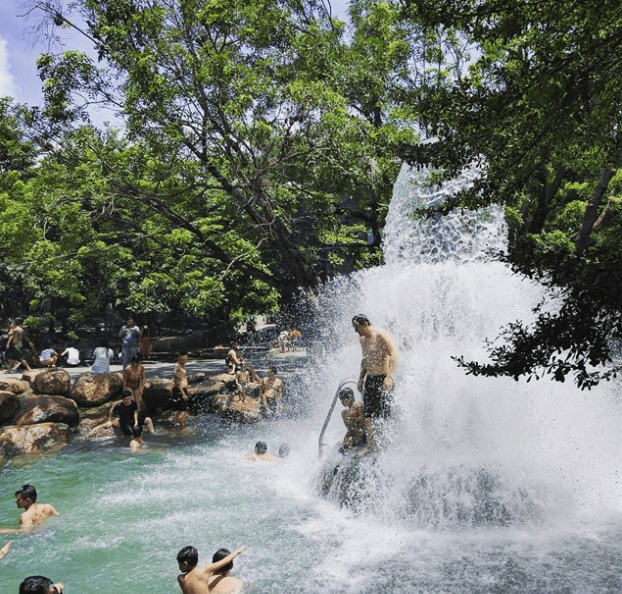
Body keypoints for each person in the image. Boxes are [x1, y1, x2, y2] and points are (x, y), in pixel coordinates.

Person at [352, 314, 398, 457]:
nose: (355, 331)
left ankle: (384, 447)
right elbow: (365, 360)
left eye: (357, 327)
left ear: (365, 324)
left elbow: (394, 355)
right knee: (368, 415)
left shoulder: (380, 335)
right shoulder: (362, 339)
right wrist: (360, 378)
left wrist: (389, 377)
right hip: (370, 380)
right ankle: (370, 445)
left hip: (383, 378)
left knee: (384, 414)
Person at [177, 545, 246, 594]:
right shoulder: (205, 571)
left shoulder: (181, 578)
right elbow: (225, 561)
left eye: (179, 564)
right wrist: (236, 552)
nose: (178, 567)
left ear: (185, 564)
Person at [339, 387, 367, 451]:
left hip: (364, 438)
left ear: (350, 397)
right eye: (341, 400)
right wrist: (347, 437)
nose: (342, 402)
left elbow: (363, 424)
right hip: (355, 438)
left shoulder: (358, 405)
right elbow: (351, 428)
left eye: (343, 399)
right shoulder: (346, 412)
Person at [171, 351, 190, 429]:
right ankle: (182, 428)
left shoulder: (183, 366)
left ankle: (179, 427)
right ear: (179, 358)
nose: (184, 361)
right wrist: (183, 394)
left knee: (181, 410)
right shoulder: (178, 367)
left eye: (185, 359)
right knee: (182, 411)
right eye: (182, 359)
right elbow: (178, 382)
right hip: (179, 390)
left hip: (183, 390)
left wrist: (186, 391)